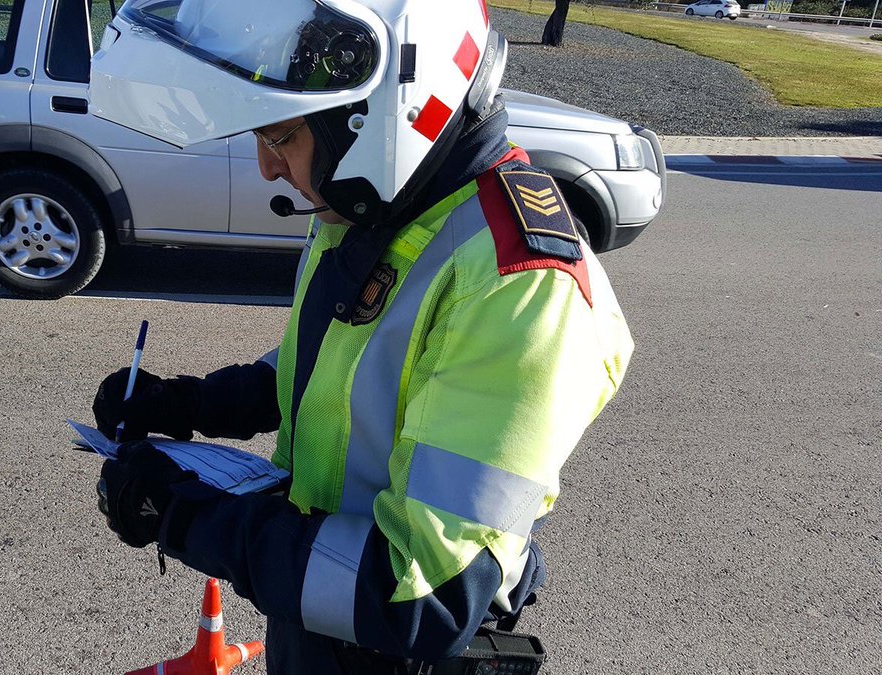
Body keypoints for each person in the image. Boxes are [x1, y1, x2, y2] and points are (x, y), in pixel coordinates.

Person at [87, 0, 634, 672]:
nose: (266, 167)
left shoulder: (518, 281)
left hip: (384, 647)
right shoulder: (383, 196)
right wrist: (197, 403)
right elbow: (336, 364)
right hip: (311, 610)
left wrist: (183, 516)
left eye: (280, 136)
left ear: (383, 114)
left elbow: (419, 594)